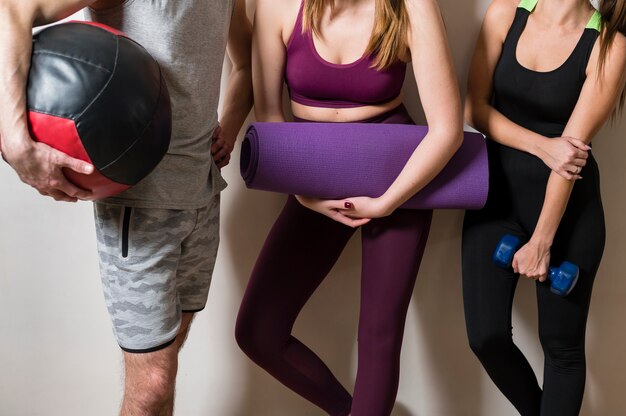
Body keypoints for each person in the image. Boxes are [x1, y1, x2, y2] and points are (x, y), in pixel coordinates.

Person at [0, 0, 252, 414]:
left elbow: (244, 63)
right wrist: (14, 141)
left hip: (203, 191)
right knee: (153, 382)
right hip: (140, 200)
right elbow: (14, 10)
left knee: (164, 362)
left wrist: (232, 119)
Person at [235, 0, 462, 414]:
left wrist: (388, 203)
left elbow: (447, 131)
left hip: (397, 176)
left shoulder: (413, 6)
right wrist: (303, 194)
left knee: (379, 335)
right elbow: (269, 116)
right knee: (258, 332)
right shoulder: (276, 5)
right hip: (310, 175)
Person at [463, 0, 626, 414]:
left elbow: (570, 156)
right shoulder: (504, 13)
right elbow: (475, 109)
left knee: (562, 351)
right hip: (495, 200)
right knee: (486, 337)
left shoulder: (609, 45)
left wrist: (541, 241)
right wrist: (541, 145)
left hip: (569, 212)